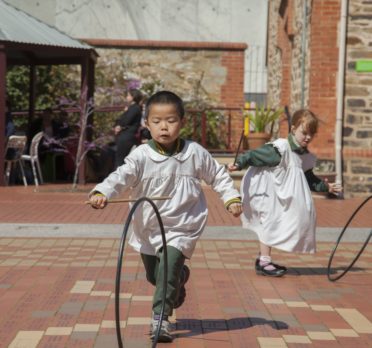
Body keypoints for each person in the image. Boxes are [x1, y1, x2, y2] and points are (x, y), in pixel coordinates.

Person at [89, 90, 242, 342]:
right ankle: (179, 279)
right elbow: (121, 176)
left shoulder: (194, 152)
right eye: (157, 121)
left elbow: (218, 175)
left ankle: (160, 319)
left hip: (182, 225)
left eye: (171, 121)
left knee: (167, 269)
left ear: (182, 122)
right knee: (155, 275)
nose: (164, 127)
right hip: (148, 226)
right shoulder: (140, 155)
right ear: (146, 123)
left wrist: (231, 198)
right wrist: (102, 191)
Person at [228, 109, 343, 277]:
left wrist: (326, 187)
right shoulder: (280, 148)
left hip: (284, 195)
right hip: (268, 192)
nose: (308, 137)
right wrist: (239, 164)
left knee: (288, 221)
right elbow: (255, 155)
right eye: (304, 132)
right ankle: (264, 261)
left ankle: (264, 259)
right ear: (293, 128)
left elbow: (309, 178)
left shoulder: (304, 156)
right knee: (269, 222)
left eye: (311, 134)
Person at [114, 88, 143, 167]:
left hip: (127, 136)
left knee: (120, 160)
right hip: (126, 136)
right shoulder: (132, 108)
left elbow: (125, 121)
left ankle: (119, 178)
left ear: (133, 97)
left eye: (128, 95)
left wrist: (120, 125)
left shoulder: (134, 108)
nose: (126, 97)